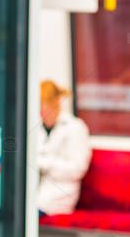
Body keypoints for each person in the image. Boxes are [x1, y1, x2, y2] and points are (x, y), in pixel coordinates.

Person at [36, 79, 93, 218]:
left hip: (59, 195)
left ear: (54, 103)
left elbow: (77, 169)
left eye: (43, 105)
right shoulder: (36, 127)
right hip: (36, 192)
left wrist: (44, 163)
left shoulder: (75, 127)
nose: (40, 110)